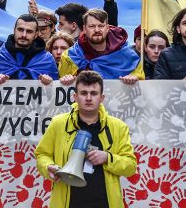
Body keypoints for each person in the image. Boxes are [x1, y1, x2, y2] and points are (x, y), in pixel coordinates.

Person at [35, 70, 136, 208]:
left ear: (102, 98)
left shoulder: (118, 127)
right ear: (75, 97)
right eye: (83, 93)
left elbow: (130, 167)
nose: (88, 98)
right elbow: (42, 154)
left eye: (94, 93)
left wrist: (108, 158)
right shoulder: (58, 123)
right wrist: (48, 167)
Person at [57, 9, 143, 84]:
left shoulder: (127, 54)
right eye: (92, 26)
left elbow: (141, 81)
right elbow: (62, 85)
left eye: (101, 26)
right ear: (84, 29)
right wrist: (65, 80)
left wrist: (134, 78)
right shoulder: (70, 56)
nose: (97, 30)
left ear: (107, 28)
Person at [0, 14, 58, 84]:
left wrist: (49, 85)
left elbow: (55, 95)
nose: (24, 35)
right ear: (14, 30)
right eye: (20, 30)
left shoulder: (47, 60)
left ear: (36, 35)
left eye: (29, 31)